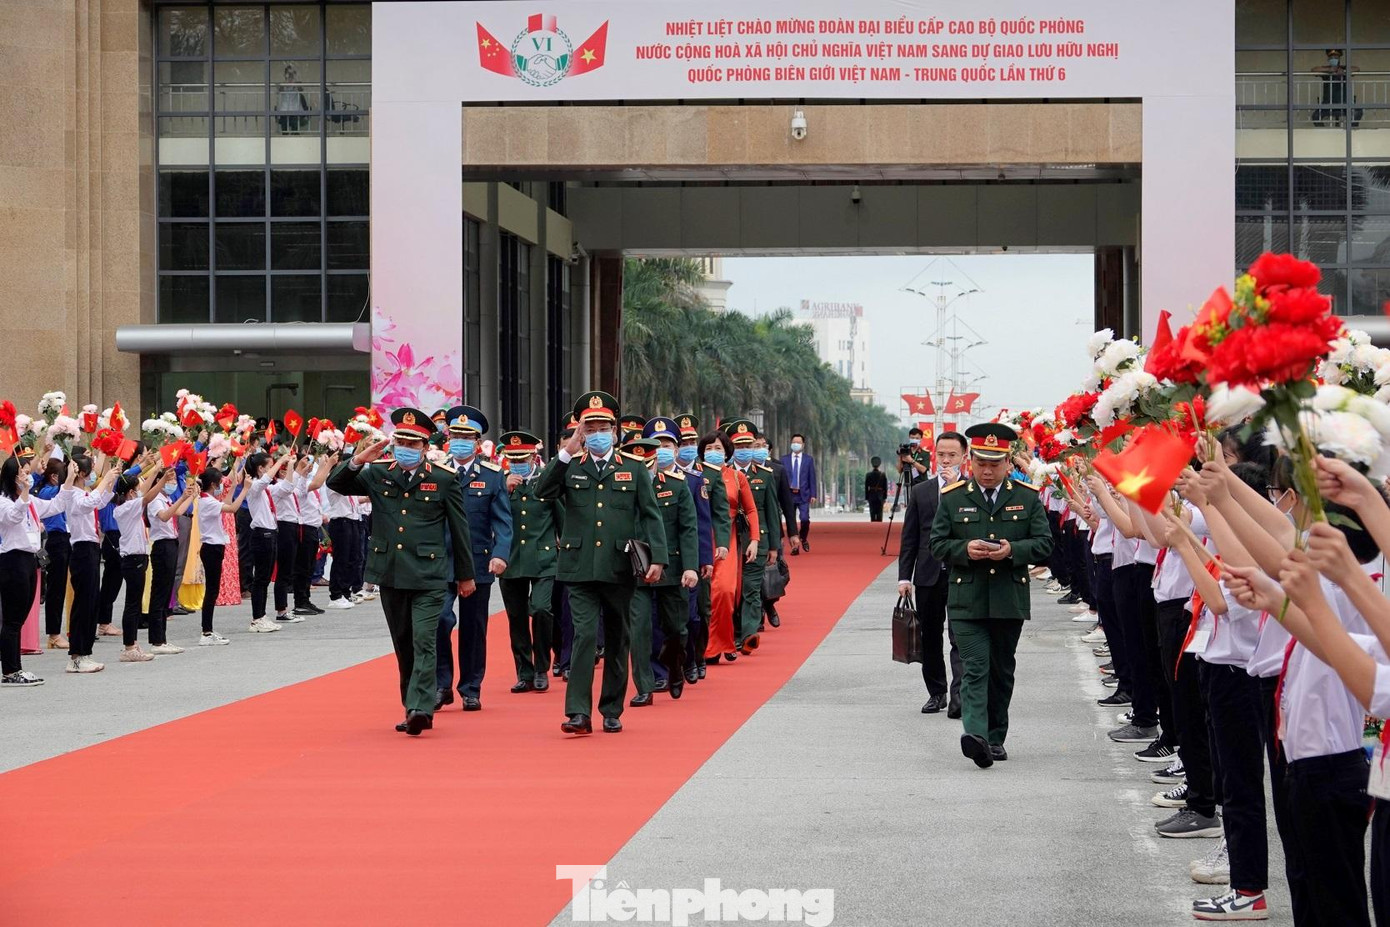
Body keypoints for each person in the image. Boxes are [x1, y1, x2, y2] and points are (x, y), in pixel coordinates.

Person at [327, 407, 475, 736]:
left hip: (429, 574)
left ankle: (421, 707)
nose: (406, 448)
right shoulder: (378, 473)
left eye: (413, 444)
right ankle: (412, 706)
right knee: (404, 643)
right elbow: (336, 483)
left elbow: (460, 529)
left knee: (424, 640)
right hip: (391, 572)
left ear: (425, 447)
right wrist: (358, 459)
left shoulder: (443, 478)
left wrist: (465, 575)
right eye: (401, 442)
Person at [533, 390, 666, 735]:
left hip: (619, 566)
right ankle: (578, 712)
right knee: (585, 635)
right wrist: (567, 450)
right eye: (589, 428)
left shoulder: (633, 468)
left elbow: (651, 515)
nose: (596, 434)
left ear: (614, 431)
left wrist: (658, 558)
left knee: (618, 638)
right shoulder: (570, 465)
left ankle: (611, 708)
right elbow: (541, 492)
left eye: (602, 428)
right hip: (579, 567)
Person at [929, 422, 1052, 768]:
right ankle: (976, 736)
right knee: (975, 667)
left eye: (994, 464)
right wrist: (964, 549)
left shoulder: (1026, 497)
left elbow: (1044, 544)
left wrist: (1013, 550)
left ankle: (995, 737)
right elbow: (937, 544)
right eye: (981, 463)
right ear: (972, 462)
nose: (987, 471)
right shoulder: (953, 497)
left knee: (1001, 670)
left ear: (1008, 463)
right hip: (966, 600)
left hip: (1008, 598)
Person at [435, 404, 512, 712]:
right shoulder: (437, 472)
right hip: (440, 560)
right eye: (456, 436)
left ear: (478, 442)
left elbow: (503, 521)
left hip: (478, 560)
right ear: (448, 438)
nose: (461, 442)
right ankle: (441, 684)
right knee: (439, 620)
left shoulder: (492, 476)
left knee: (473, 627)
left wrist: (501, 554)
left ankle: (470, 687)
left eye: (467, 437)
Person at [629, 421, 700, 703]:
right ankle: (644, 687)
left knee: (676, 629)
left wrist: (691, 566)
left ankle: (675, 666)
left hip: (672, 568)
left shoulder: (676, 485)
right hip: (636, 570)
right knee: (640, 630)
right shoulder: (623, 487)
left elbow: (688, 529)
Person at [897, 431, 966, 718]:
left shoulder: (971, 489)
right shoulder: (922, 490)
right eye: (942, 455)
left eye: (952, 455)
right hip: (928, 574)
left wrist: (956, 488)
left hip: (962, 572)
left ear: (964, 457)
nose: (946, 460)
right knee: (930, 636)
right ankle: (936, 692)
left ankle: (960, 695)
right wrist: (904, 577)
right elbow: (910, 537)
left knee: (960, 635)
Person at [497, 430, 559, 694]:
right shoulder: (500, 482)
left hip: (544, 557)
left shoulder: (546, 481)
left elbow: (561, 518)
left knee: (542, 609)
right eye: (512, 459)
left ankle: (542, 667)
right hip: (512, 558)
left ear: (533, 457)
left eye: (522, 459)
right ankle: (525, 672)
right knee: (517, 617)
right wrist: (503, 490)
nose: (517, 464)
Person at [0, 452, 69, 687]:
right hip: (12, 560)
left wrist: (69, 481)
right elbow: (13, 517)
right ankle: (10, 670)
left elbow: (56, 505)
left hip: (30, 560)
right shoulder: (4, 501)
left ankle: (15, 667)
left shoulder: (30, 501)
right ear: (13, 477)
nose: (29, 478)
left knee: (20, 616)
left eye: (29, 474)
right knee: (12, 618)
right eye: (25, 474)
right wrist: (25, 493)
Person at [674, 413, 724, 682]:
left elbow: (705, 522)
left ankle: (697, 656)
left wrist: (706, 558)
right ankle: (679, 661)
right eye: (683, 443)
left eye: (691, 442)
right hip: (669, 554)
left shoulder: (704, 476)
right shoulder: (656, 475)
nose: (688, 447)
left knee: (698, 613)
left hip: (694, 555)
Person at [702, 429, 757, 666]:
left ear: (726, 453)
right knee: (705, 595)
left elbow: (751, 509)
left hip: (729, 538)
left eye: (718, 448)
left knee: (724, 591)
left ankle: (722, 641)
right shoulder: (696, 474)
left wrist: (754, 540)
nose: (713, 452)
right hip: (702, 537)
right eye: (708, 449)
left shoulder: (736, 477)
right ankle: (710, 645)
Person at [726, 420, 780, 654]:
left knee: (750, 588)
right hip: (729, 541)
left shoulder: (765, 476)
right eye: (739, 446)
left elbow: (772, 512)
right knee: (732, 589)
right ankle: (734, 633)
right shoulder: (723, 474)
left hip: (758, 540)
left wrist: (774, 546)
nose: (744, 450)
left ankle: (748, 635)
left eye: (748, 445)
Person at [144, 468, 194, 655]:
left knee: (166, 593)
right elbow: (165, 516)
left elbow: (178, 511)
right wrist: (182, 498)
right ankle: (157, 640)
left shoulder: (165, 498)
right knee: (159, 593)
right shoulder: (155, 499)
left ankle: (162, 639)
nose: (173, 483)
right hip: (162, 545)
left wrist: (190, 496)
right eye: (170, 479)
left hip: (171, 542)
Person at [781, 433, 816, 552]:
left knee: (805, 519)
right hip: (789, 494)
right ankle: (794, 546)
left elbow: (812, 477)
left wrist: (813, 494)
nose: (796, 444)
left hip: (803, 495)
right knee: (791, 520)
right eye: (794, 442)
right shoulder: (784, 460)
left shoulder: (808, 460)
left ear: (803, 445)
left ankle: (803, 538)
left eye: (798, 442)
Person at [865, 457, 888, 522]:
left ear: (872, 464)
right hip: (880, 496)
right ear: (879, 464)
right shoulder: (883, 475)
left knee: (872, 513)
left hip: (871, 496)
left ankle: (873, 525)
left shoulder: (868, 475)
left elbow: (866, 487)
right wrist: (884, 497)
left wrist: (867, 497)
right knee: (879, 514)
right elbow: (885, 487)